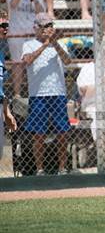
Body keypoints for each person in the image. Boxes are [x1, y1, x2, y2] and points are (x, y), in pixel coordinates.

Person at [21, 13, 72, 176]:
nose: (48, 29)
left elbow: (67, 61)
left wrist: (54, 43)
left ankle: (62, 168)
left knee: (62, 131)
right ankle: (40, 169)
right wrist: (45, 45)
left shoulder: (59, 44)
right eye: (44, 26)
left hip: (58, 93)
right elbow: (27, 61)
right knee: (38, 133)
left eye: (50, 26)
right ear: (36, 28)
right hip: (38, 95)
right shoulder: (28, 44)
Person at [7, 0, 45, 97]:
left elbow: (40, 11)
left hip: (33, 33)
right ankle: (17, 93)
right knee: (18, 63)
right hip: (16, 32)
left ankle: (35, 92)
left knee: (34, 61)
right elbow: (13, 5)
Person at [0, 13, 18, 161]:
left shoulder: (1, 53)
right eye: (2, 26)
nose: (6, 29)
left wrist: (6, 112)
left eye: (7, 26)